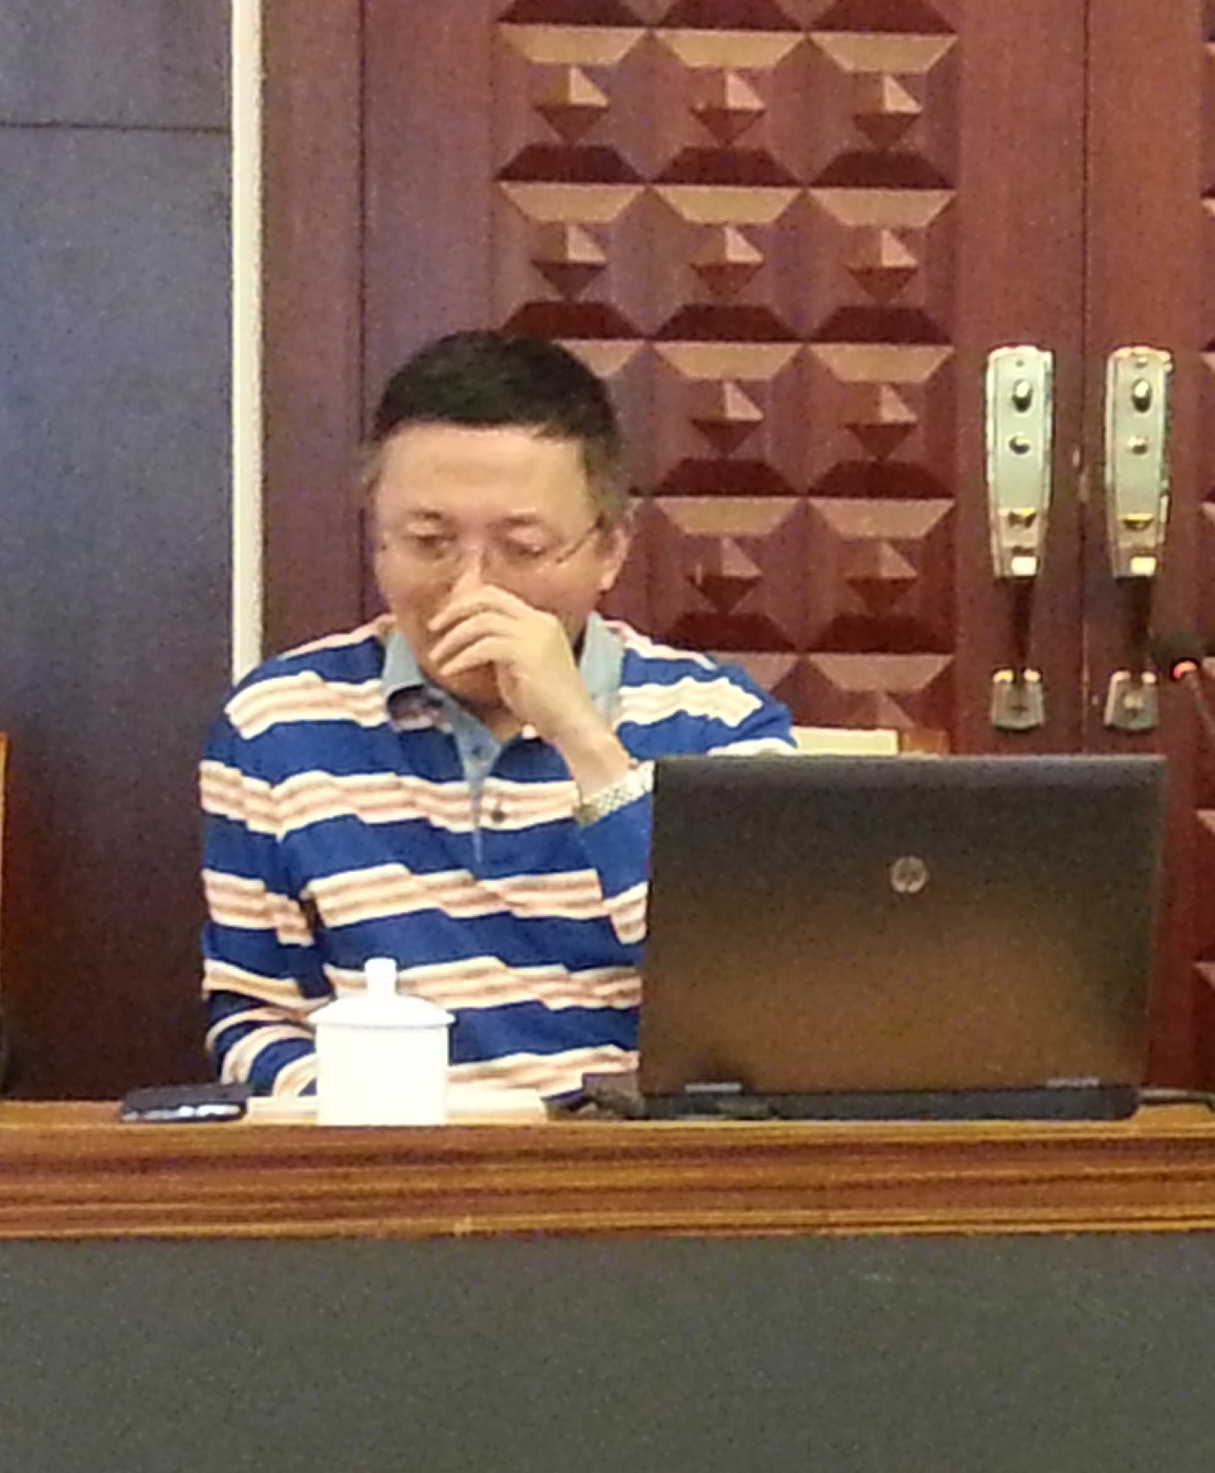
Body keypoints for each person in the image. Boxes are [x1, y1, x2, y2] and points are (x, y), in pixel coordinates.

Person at [200, 331, 794, 1096]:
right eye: (429, 542)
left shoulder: (720, 722)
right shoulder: (275, 725)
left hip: (640, 1158)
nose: (471, 589)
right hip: (396, 1152)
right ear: (378, 541)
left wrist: (582, 737)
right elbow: (254, 1018)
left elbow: (765, 1004)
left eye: (522, 547)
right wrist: (383, 1112)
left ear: (610, 550)